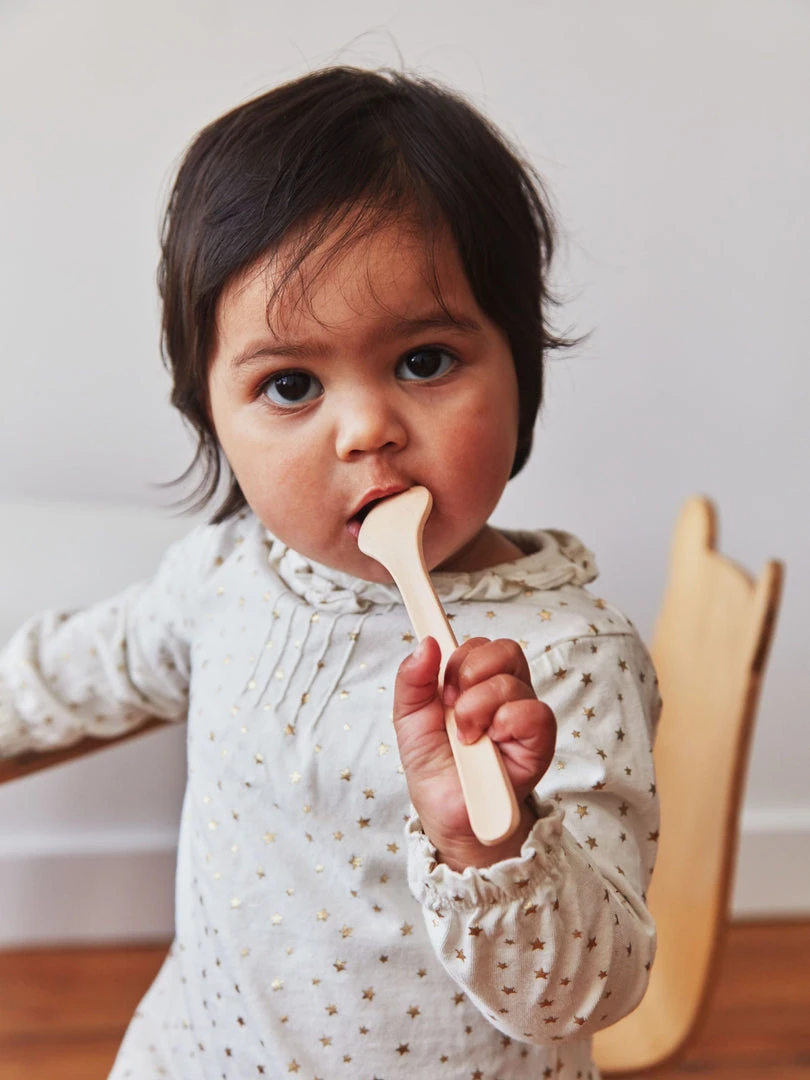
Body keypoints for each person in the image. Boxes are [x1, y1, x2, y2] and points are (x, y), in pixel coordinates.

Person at [0, 67, 660, 1079]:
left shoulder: (565, 662)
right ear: (210, 416)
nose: (366, 429)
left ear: (519, 368)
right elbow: (82, 671)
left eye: (425, 361)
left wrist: (492, 844)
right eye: (291, 384)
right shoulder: (227, 575)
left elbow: (581, 994)